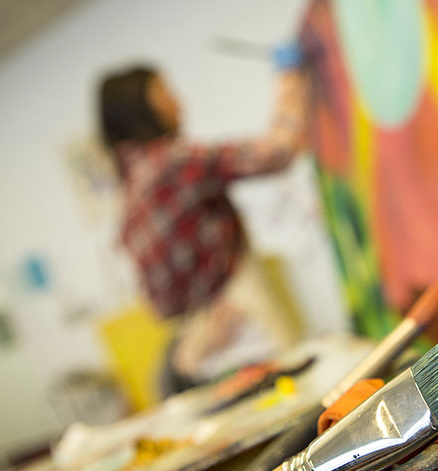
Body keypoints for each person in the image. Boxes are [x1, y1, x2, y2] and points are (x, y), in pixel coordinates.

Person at [98, 47, 308, 388]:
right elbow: (275, 153)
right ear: (141, 109)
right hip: (243, 319)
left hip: (203, 341)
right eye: (165, 93)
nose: (179, 101)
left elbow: (158, 302)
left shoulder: (129, 186)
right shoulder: (172, 162)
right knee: (298, 392)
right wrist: (289, 80)